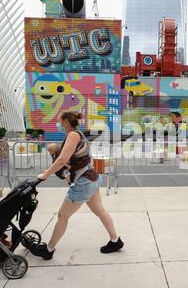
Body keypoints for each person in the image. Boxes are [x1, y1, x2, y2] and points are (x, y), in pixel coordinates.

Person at [30, 111, 124, 260]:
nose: (58, 124)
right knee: (100, 211)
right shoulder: (78, 134)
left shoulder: (73, 135)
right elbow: (68, 160)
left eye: (59, 122)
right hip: (91, 179)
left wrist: (46, 174)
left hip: (84, 183)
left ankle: (48, 250)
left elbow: (62, 160)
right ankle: (115, 241)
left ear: (66, 122)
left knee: (62, 216)